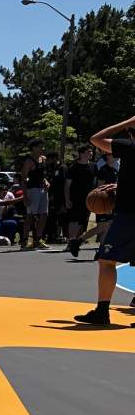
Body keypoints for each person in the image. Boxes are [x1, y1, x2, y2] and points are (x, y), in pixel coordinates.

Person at [75, 115, 135, 325]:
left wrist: (126, 122)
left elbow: (96, 138)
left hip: (129, 215)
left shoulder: (128, 147)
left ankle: (102, 311)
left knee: (107, 260)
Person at [64, 146, 95, 254]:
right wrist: (67, 199)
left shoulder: (93, 166)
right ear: (81, 154)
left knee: (83, 222)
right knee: (74, 221)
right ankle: (70, 241)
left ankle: (76, 242)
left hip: (88, 199)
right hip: (75, 198)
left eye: (91, 152)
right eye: (88, 151)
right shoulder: (73, 168)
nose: (91, 153)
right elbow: (67, 186)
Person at [20, 140, 50, 250]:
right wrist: (25, 196)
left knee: (44, 215)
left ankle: (38, 240)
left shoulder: (43, 159)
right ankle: (24, 240)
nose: (42, 149)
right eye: (39, 147)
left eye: (42, 146)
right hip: (32, 190)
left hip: (42, 190)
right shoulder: (29, 161)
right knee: (30, 216)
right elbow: (23, 179)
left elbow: (41, 175)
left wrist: (46, 181)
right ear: (33, 148)